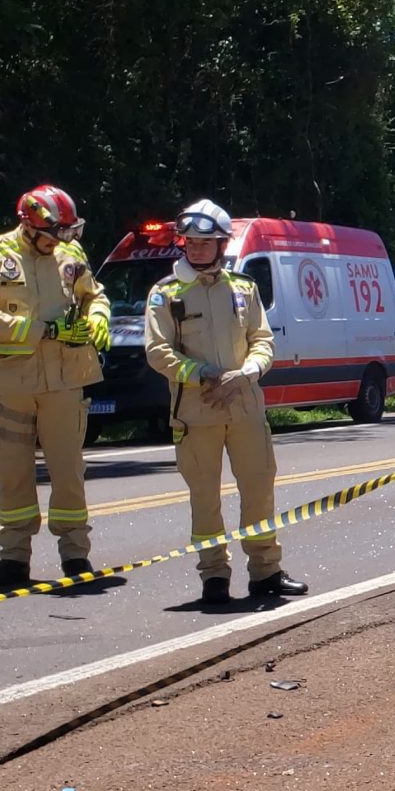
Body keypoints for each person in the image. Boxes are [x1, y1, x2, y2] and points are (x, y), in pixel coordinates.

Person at [143, 199, 307, 606]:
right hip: (197, 412)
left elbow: (262, 340)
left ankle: (265, 572)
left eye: (205, 242)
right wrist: (200, 374)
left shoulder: (243, 288)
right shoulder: (165, 294)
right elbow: (156, 351)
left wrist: (248, 373)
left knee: (258, 489)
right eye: (190, 242)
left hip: (245, 406)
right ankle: (214, 576)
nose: (196, 249)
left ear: (221, 245)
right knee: (205, 497)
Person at [0, 185, 109, 589]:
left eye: (64, 234)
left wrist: (98, 318)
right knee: (13, 473)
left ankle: (76, 554)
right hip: (11, 382)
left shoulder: (70, 253)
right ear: (28, 225)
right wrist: (43, 331)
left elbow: (95, 296)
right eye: (51, 235)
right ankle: (14, 558)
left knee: (68, 470)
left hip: (65, 380)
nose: (57, 243)